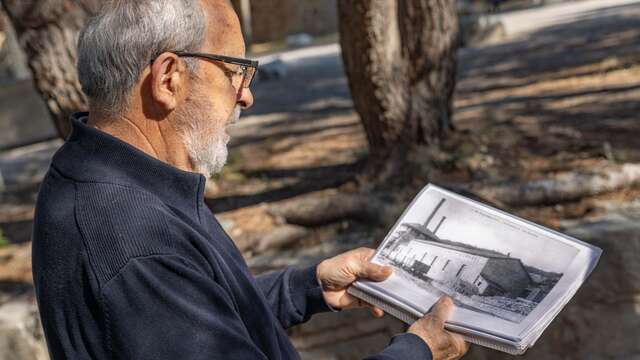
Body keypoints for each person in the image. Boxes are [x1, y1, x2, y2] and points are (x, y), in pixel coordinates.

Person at [31, 0, 469, 359]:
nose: (246, 94)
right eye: (235, 70)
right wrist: (417, 350)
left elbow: (194, 310)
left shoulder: (108, 173)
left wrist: (307, 287)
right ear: (169, 79)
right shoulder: (133, 237)